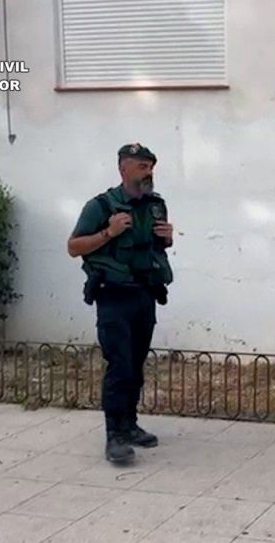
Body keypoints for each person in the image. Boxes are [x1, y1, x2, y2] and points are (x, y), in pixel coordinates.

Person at [67, 143, 174, 464]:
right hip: (113, 296)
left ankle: (129, 424)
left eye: (150, 166)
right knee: (120, 364)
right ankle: (114, 435)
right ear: (123, 168)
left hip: (145, 293)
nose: (148, 172)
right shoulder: (100, 206)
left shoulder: (156, 206)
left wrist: (168, 238)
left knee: (136, 363)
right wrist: (108, 233)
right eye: (142, 166)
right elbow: (73, 247)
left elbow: (155, 249)